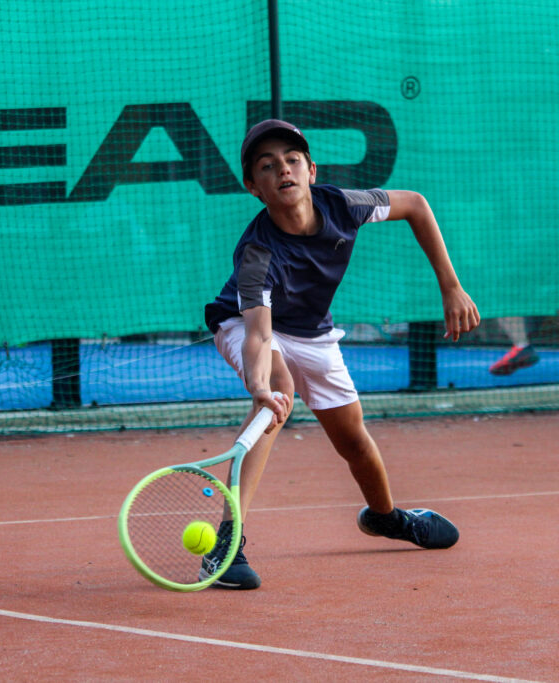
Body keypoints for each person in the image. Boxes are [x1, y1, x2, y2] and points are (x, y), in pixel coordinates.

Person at [202, 119, 480, 589]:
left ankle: (385, 517)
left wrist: (451, 287)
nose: (283, 170)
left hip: (314, 334)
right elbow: (257, 336)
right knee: (278, 393)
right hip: (248, 326)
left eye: (292, 161)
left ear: (312, 170)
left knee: (353, 440)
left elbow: (415, 204)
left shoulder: (343, 205)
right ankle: (225, 544)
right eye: (267, 166)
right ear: (253, 187)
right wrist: (261, 386)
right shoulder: (256, 254)